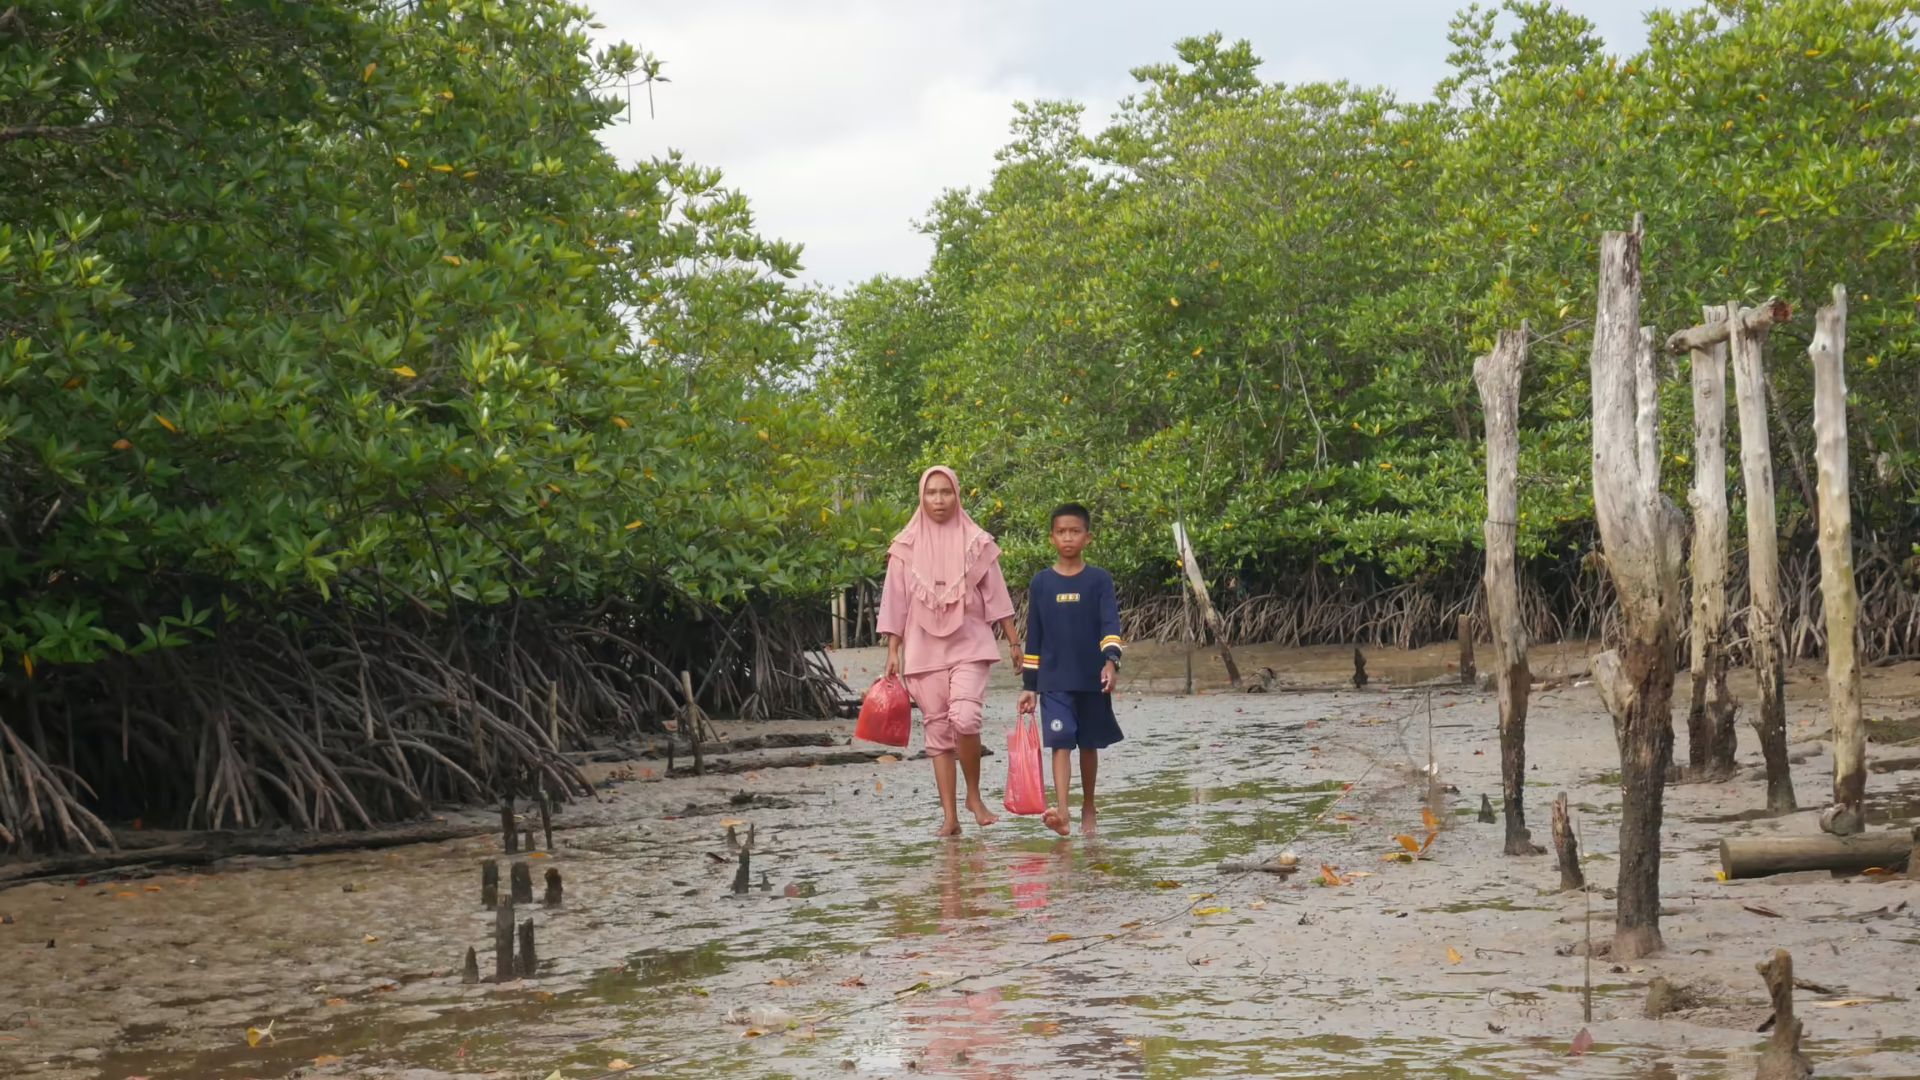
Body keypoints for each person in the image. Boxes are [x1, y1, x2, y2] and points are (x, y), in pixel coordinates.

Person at [876, 466, 1022, 837]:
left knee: (966, 717)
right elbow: (895, 602)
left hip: (970, 642)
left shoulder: (977, 541)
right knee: (938, 731)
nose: (939, 500)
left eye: (946, 492)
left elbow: (997, 596)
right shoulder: (904, 546)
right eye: (931, 493)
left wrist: (1014, 641)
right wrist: (893, 650)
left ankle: (974, 796)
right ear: (921, 498)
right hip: (923, 647)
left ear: (958, 495)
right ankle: (950, 818)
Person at [1017, 503, 1124, 836]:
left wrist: (1110, 661)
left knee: (1088, 744)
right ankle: (1062, 811)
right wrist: (1029, 685)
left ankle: (1088, 805)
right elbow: (1034, 635)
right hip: (1054, 680)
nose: (1068, 538)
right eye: (1061, 532)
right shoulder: (1041, 583)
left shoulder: (1099, 580)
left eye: (1074, 531)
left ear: (1087, 537)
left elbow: (1110, 623)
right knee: (1061, 741)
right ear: (1052, 537)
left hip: (1091, 677)